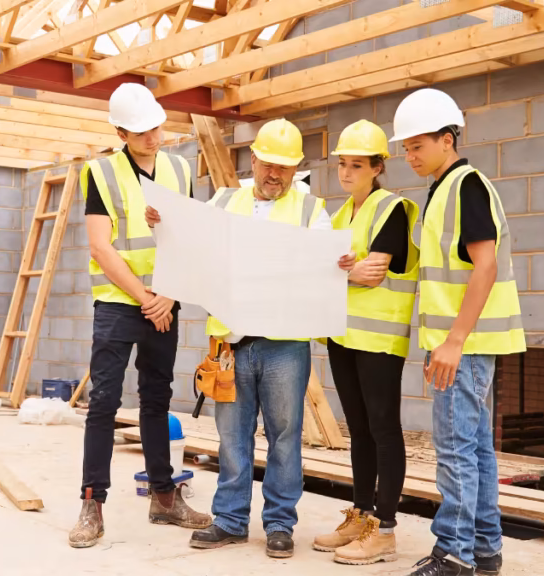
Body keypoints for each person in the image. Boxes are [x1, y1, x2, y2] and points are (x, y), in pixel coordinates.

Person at [148, 118, 333, 558]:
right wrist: (162, 226)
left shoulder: (311, 212)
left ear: (295, 170)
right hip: (230, 343)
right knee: (232, 437)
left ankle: (279, 525)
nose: (275, 175)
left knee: (284, 435)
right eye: (268, 164)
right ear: (254, 160)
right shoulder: (224, 201)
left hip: (284, 344)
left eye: (285, 169)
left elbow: (326, 264)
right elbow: (191, 247)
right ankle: (230, 520)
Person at [69, 83, 212, 549]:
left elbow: (188, 237)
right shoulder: (101, 172)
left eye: (156, 126)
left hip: (163, 302)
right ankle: (93, 503)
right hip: (118, 302)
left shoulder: (179, 168)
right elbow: (99, 245)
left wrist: (166, 297)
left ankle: (164, 498)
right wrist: (145, 296)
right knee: (105, 403)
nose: (153, 136)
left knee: (156, 399)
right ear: (120, 132)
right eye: (141, 131)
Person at [390, 88, 525, 576]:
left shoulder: (465, 185)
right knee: (473, 449)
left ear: (447, 139)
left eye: (417, 145)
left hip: (464, 345)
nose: (409, 155)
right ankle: (484, 552)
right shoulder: (443, 188)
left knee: (454, 451)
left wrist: (453, 341)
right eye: (405, 147)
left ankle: (454, 556)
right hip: (463, 343)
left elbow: (484, 267)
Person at [311, 120, 420, 566]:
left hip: (378, 339)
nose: (347, 172)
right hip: (343, 335)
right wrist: (342, 269)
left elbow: (373, 271)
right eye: (343, 164)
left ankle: (386, 530)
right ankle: (361, 514)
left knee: (383, 429)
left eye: (357, 165)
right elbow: (327, 270)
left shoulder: (392, 209)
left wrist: (341, 269)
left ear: (378, 167)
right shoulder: (341, 216)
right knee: (358, 430)